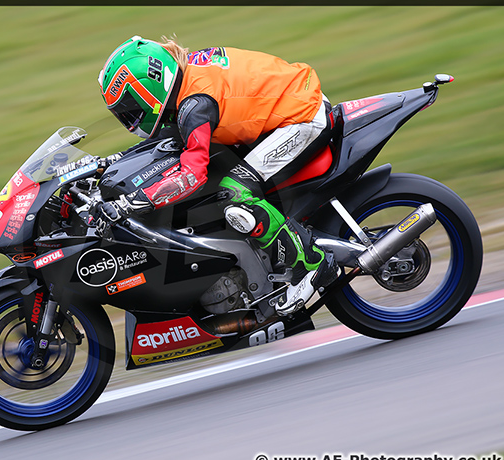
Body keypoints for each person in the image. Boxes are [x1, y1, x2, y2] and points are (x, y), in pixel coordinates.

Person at [93, 35, 338, 315]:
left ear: (149, 88)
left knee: (234, 193)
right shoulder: (185, 81)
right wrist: (112, 162)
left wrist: (130, 203)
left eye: (130, 107)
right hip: (285, 103)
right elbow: (166, 136)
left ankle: (310, 264)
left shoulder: (195, 105)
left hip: (301, 117)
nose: (130, 118)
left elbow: (191, 176)